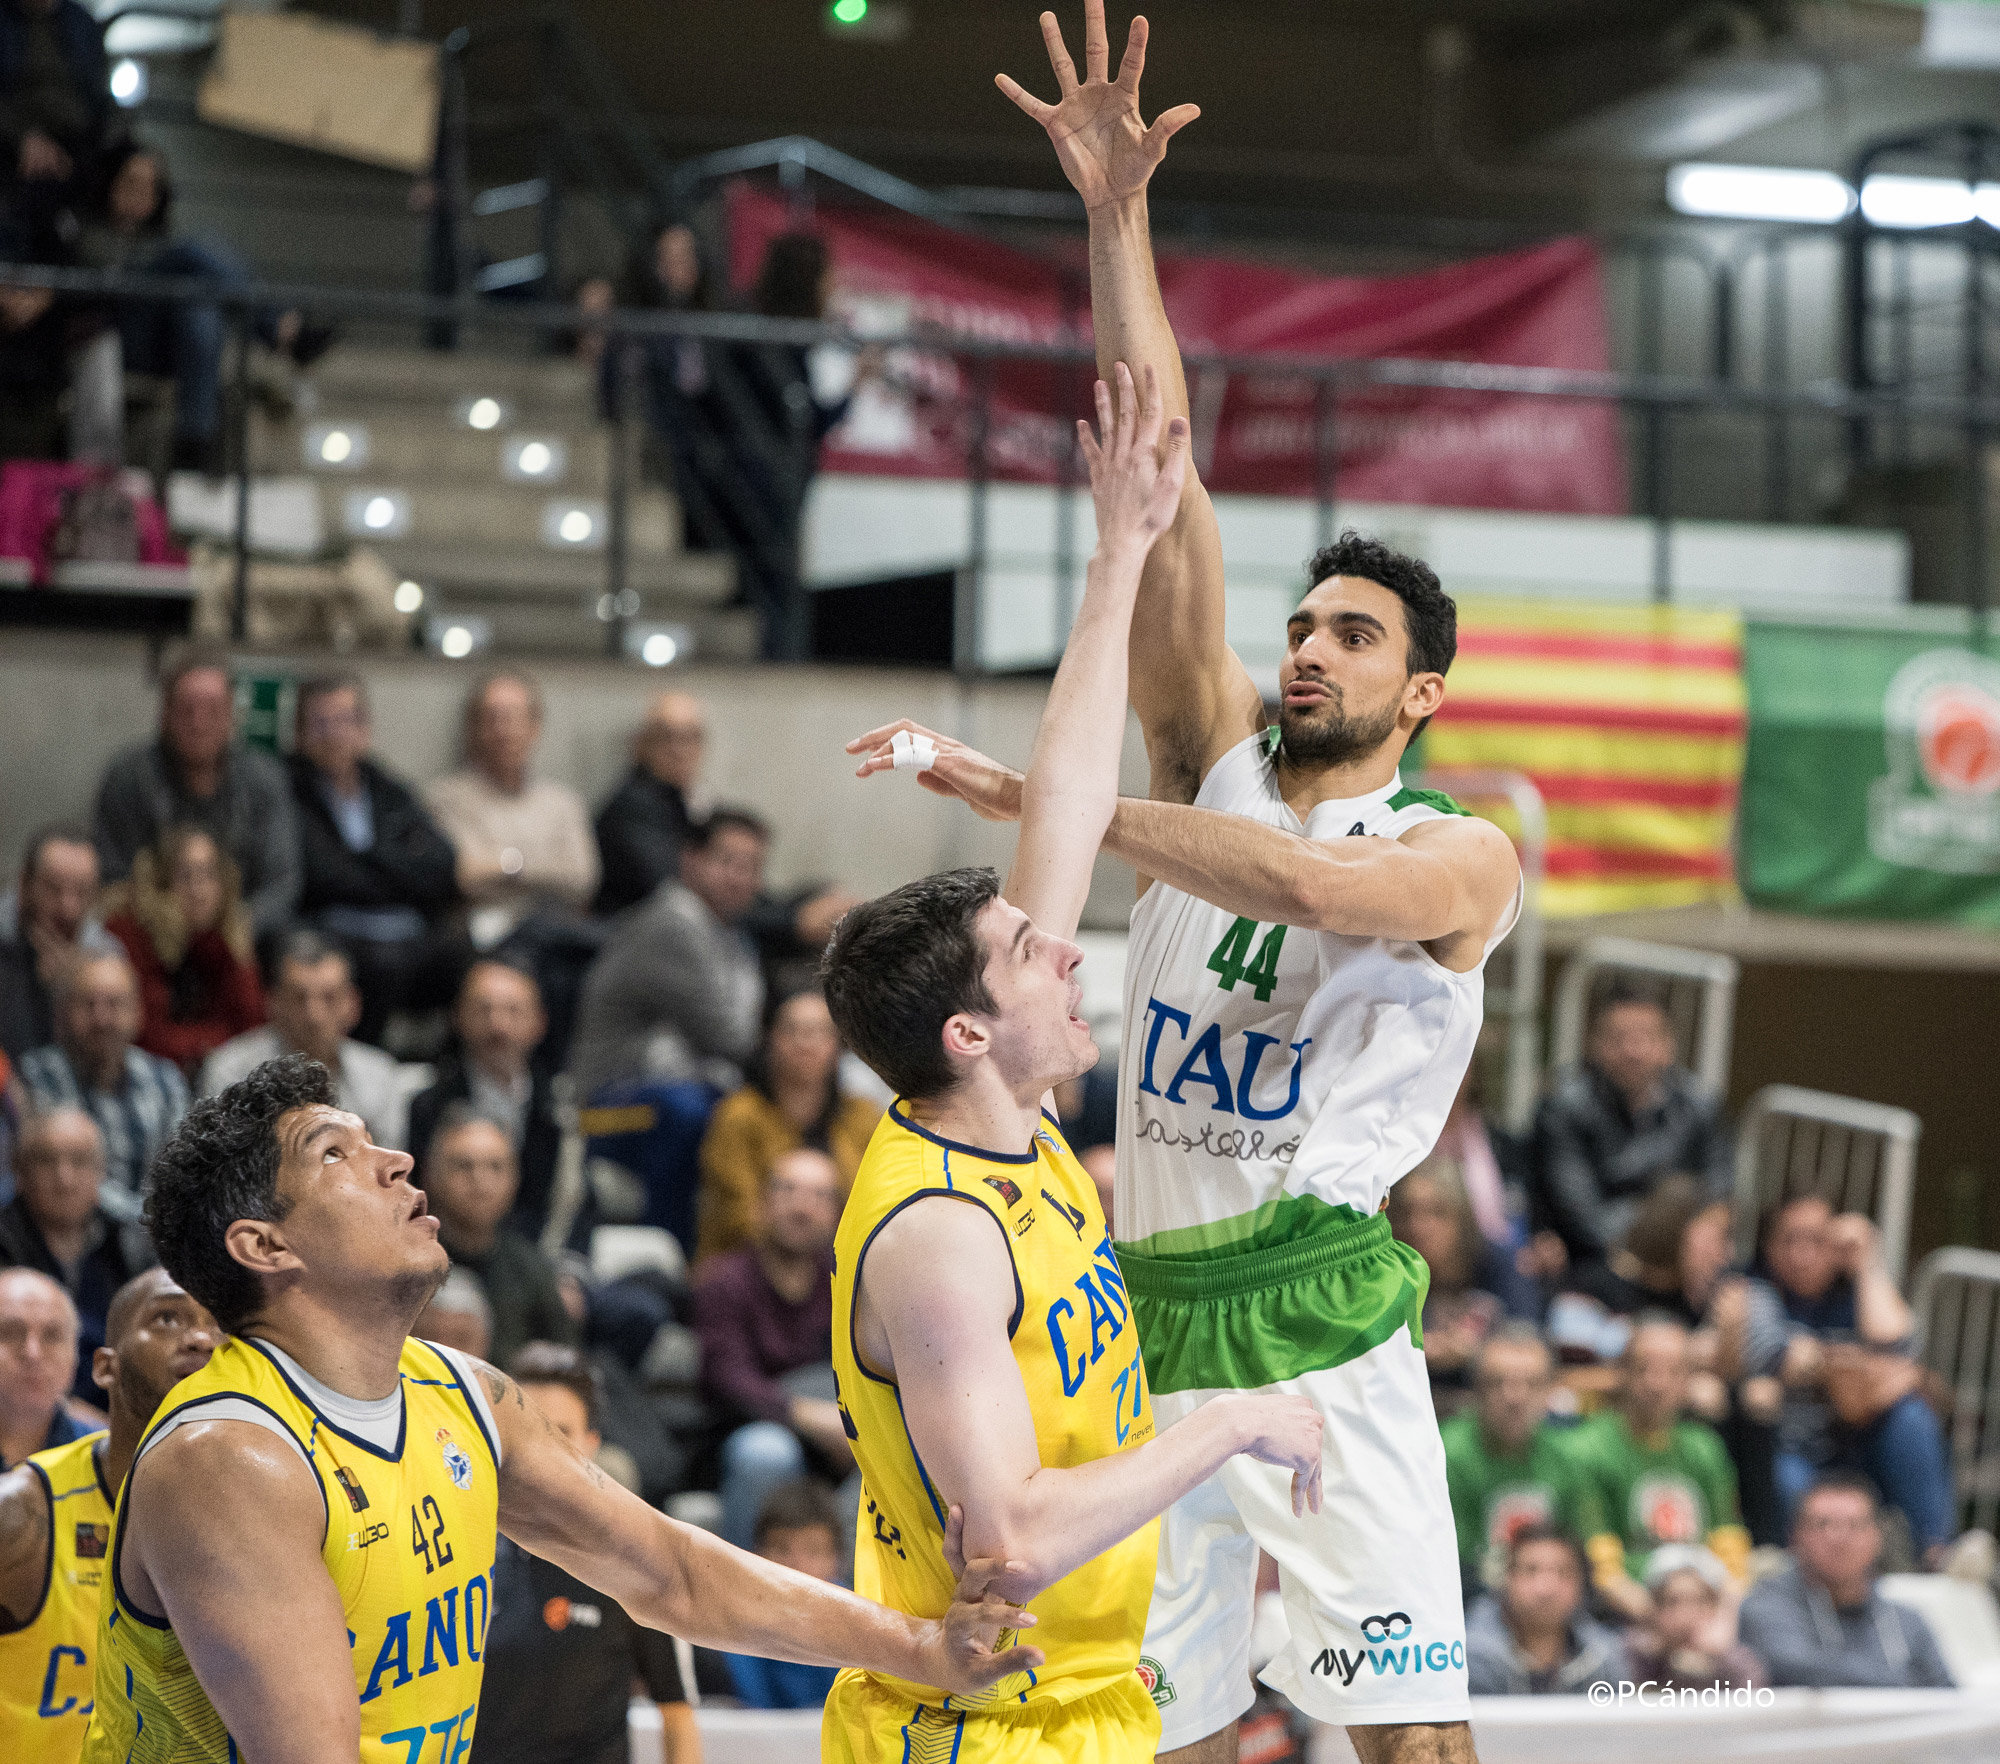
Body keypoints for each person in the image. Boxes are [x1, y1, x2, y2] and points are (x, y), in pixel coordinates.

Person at [852, 16, 1526, 1754]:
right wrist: (1114, 217)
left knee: (1410, 1732)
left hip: (1317, 1296)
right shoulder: (1210, 745)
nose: (1308, 650)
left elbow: (1317, 894)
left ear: (1421, 692)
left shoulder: (1460, 853)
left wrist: (1037, 799)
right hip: (1138, 1305)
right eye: (1304, 625)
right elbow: (1164, 470)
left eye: (1352, 635)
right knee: (1126, 1723)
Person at [821, 359, 1323, 1764]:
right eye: (1028, 952)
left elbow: (1078, 794)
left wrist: (1117, 557)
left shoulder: (1009, 1123)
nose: (1067, 950)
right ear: (966, 1031)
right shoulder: (938, 1235)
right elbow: (1016, 1532)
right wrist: (1220, 1430)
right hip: (978, 1725)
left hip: (1087, 1699)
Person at [78, 1055, 1042, 1764]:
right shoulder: (232, 1458)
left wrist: (922, 1648)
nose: (398, 1162)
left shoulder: (465, 1395)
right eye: (339, 1154)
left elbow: (670, 1573)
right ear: (263, 1245)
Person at [0, 1268, 218, 1763]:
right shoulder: (20, 1515)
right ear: (104, 1367)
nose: (202, 1339)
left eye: (217, 1323)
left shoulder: (271, 1510)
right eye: (168, 1318)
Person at [471, 1342, 701, 1764]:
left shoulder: (635, 1559)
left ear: (592, 1443)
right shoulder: (457, 1546)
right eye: (526, 1430)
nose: (540, 1451)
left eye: (560, 1433)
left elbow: (677, 1711)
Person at [76, 144, 330, 475]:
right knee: (192, 253)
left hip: (163, 348)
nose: (139, 195)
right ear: (112, 183)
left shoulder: (156, 241)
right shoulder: (90, 231)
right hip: (118, 338)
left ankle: (194, 440)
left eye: (148, 188)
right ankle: (281, 328)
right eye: (131, 183)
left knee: (199, 305)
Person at [1742, 1192, 1954, 1562]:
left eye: (1816, 1240)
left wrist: (1869, 1263)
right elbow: (1780, 1358)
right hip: (1794, 1447)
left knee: (1912, 1418)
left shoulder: (1853, 1293)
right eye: (1789, 1240)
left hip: (1860, 1447)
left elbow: (1900, 1347)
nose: (1801, 1254)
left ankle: (1938, 1555)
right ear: (1770, 1248)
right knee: (1785, 1474)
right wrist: (1866, 1372)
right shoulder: (1756, 1291)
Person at [288, 672, 462, 1047]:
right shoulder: (289, 790)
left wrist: (367, 859)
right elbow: (323, 876)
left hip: (407, 930)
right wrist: (397, 871)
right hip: (335, 929)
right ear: (300, 733)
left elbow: (442, 864)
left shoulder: (386, 787)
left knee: (465, 957)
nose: (334, 733)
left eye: (345, 720)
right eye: (321, 722)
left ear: (364, 729)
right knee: (372, 968)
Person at [694, 1147, 847, 1551]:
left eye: (820, 1196)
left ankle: (854, 1598)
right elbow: (728, 1380)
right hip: (747, 1433)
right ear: (762, 1203)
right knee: (765, 1452)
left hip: (838, 1440)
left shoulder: (849, 1284)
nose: (802, 1207)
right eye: (788, 1190)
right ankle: (749, 1605)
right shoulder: (724, 1282)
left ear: (837, 1212)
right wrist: (810, 1417)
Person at [92, 645, 300, 944]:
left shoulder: (264, 779)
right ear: (165, 713)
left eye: (212, 710)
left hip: (244, 936)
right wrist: (168, 921)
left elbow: (282, 883)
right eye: (187, 709)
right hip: (149, 933)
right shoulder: (129, 778)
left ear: (231, 714)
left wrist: (232, 928)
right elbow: (112, 877)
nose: (198, 723)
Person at [569, 809, 771, 1101]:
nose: (739, 878)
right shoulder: (673, 924)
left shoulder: (731, 931)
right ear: (689, 859)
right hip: (618, 1088)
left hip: (673, 1078)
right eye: (728, 862)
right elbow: (727, 1038)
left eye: (751, 867)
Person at [1531, 986, 1733, 1272]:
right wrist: (1661, 1227)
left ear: (1668, 1047)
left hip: (1682, 1266)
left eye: (1646, 1038)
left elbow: (1718, 1196)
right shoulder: (1564, 1109)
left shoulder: (1699, 1107)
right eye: (1619, 1039)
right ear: (1595, 1045)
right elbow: (1584, 1216)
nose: (1633, 1051)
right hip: (1592, 1262)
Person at [1570, 1314, 1750, 1618]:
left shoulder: (1705, 1447)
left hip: (1704, 1609)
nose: (1657, 1383)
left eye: (1673, 1371)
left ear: (1688, 1381)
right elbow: (1601, 1565)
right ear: (1622, 1373)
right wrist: (1661, 1621)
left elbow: (1729, 1544)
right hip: (1627, 1614)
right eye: (1644, 1369)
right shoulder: (1589, 1448)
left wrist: (1725, 1614)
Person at [695, 987, 879, 1264]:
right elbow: (737, 1216)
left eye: (818, 1032)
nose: (805, 1043)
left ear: (838, 1046)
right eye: (792, 1030)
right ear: (770, 1038)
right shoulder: (738, 1116)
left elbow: (873, 1207)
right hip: (751, 1269)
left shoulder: (862, 1117)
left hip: (843, 1266)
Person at [424, 669, 598, 947]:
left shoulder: (562, 803)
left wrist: (505, 866)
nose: (504, 731)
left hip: (557, 934)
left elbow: (580, 878)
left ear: (535, 726)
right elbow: (462, 875)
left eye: (514, 718)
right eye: (492, 719)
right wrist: (538, 869)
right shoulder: (446, 799)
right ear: (474, 728)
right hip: (481, 937)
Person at [1737, 1471, 1954, 1688]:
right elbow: (1794, 1669)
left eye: (1854, 1525)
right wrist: (1904, 1684)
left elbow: (1951, 1700)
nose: (1839, 1538)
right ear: (1795, 1536)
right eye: (1823, 1524)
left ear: (1877, 1537)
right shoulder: (1765, 1606)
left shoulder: (1906, 1621)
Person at [200, 931, 410, 1150]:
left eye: (329, 998)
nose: (314, 1015)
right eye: (299, 998)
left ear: (352, 1004)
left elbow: (388, 1168)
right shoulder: (231, 1071)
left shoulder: (380, 1075)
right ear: (273, 1002)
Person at [17, 950, 187, 1210]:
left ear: (137, 1012)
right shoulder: (37, 1076)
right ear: (63, 1014)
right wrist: (138, 1216)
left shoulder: (165, 1081)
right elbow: (57, 1179)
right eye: (88, 1004)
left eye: (114, 1003)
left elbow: (181, 1174)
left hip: (154, 1240)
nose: (102, 1019)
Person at [0, 1108, 150, 1403]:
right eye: (46, 1161)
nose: (64, 1179)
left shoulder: (131, 1243)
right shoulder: (3, 1239)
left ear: (101, 1172)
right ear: (19, 1171)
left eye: (79, 1161)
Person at [1440, 1327, 1602, 1596]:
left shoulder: (1568, 1458)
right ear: (1477, 1390)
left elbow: (1583, 1550)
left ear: (1550, 1391)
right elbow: (1450, 1563)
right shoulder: (1446, 1455)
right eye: (1498, 1382)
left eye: (1532, 1383)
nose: (1515, 1397)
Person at [408, 961, 562, 1239]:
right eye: (483, 1009)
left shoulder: (559, 1109)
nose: (498, 1025)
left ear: (540, 1022)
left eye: (512, 1011)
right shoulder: (426, 1106)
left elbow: (573, 1202)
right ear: (458, 1017)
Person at [420, 1108, 578, 1369]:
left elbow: (565, 1372)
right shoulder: (403, 1265)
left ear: (515, 1178)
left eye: (496, 1167)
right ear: (430, 1174)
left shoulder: (533, 1271)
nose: (480, 1181)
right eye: (463, 1166)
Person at [102, 825, 265, 1076]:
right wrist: (209, 1045)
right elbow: (145, 1034)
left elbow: (251, 1031)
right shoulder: (134, 931)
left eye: (208, 875)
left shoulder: (227, 934)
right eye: (185, 876)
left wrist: (240, 952)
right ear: (160, 883)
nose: (198, 891)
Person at [1386, 1160, 1538, 1413]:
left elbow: (1530, 1339)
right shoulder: (1387, 1273)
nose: (1419, 1226)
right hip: (1409, 1402)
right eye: (1408, 1213)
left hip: (1487, 1406)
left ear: (1462, 1216)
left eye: (1436, 1212)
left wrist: (1477, 1351)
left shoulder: (1496, 1263)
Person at [719, 1480, 847, 1711]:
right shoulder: (732, 1625)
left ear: (837, 1561)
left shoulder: (858, 1622)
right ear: (757, 1556)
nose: (797, 1566)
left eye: (814, 1551)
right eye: (781, 1549)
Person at [0, 825, 119, 1065]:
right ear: (25, 886)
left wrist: (71, 991)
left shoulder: (107, 958)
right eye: (53, 888)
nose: (68, 908)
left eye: (81, 892)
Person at [1462, 1526, 1622, 1697]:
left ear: (1583, 1584)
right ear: (1507, 1578)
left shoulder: (1604, 1657)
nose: (1546, 1588)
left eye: (1563, 1572)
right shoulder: (1469, 1657)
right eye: (1531, 1570)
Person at [593, 691, 708, 917]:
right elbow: (672, 888)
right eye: (666, 737)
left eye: (689, 738)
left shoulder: (692, 800)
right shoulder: (633, 806)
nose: (678, 750)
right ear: (641, 744)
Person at [0, 0, 113, 210]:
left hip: (76, 142)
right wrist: (23, 137)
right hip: (14, 138)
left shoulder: (81, 23)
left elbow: (99, 97)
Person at [1621, 1545, 1763, 1694]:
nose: (1685, 1617)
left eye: (1698, 1601)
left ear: (1715, 1607)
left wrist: (1715, 1663)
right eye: (1672, 1602)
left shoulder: (1741, 1668)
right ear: (1654, 1608)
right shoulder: (1630, 1660)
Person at [0, 1268, 96, 1468]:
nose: (32, 1354)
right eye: (11, 1333)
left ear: (75, 1355)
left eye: (52, 1336)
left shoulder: (104, 1458)